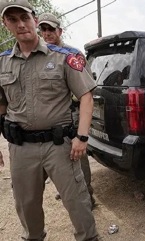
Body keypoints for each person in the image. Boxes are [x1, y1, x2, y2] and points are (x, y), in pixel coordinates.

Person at [0, 0, 101, 241]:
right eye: (13, 19)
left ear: (33, 19)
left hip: (60, 146)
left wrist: (81, 137)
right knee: (26, 201)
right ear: (5, 24)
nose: (20, 24)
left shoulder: (64, 57)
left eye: (25, 17)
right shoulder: (2, 63)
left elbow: (86, 97)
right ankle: (33, 240)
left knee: (76, 199)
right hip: (20, 147)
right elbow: (1, 105)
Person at [37, 12, 95, 206]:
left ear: (59, 31)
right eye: (43, 30)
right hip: (52, 115)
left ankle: (87, 194)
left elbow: (86, 90)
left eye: (51, 29)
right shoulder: (39, 54)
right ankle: (67, 188)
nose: (46, 34)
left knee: (77, 152)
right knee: (57, 155)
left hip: (72, 112)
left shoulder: (72, 54)